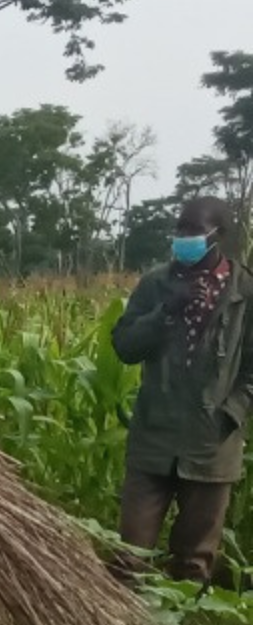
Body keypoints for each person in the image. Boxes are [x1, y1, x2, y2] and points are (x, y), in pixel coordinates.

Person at [110, 194, 252, 586]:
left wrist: (229, 415)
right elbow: (124, 347)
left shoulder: (245, 291)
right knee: (129, 558)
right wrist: (165, 311)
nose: (182, 237)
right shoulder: (156, 283)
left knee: (193, 563)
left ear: (217, 234)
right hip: (154, 437)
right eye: (179, 229)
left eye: (192, 229)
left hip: (212, 445)